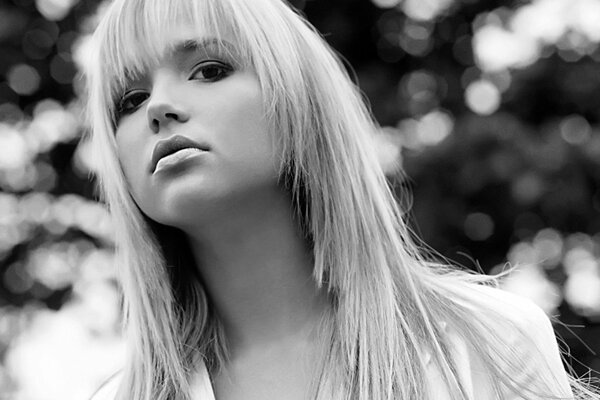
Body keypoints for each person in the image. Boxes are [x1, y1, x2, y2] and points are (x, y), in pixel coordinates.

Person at [84, 0, 598, 399]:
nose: (160, 107)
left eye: (209, 69)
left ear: (299, 101)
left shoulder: (487, 341)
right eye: (130, 100)